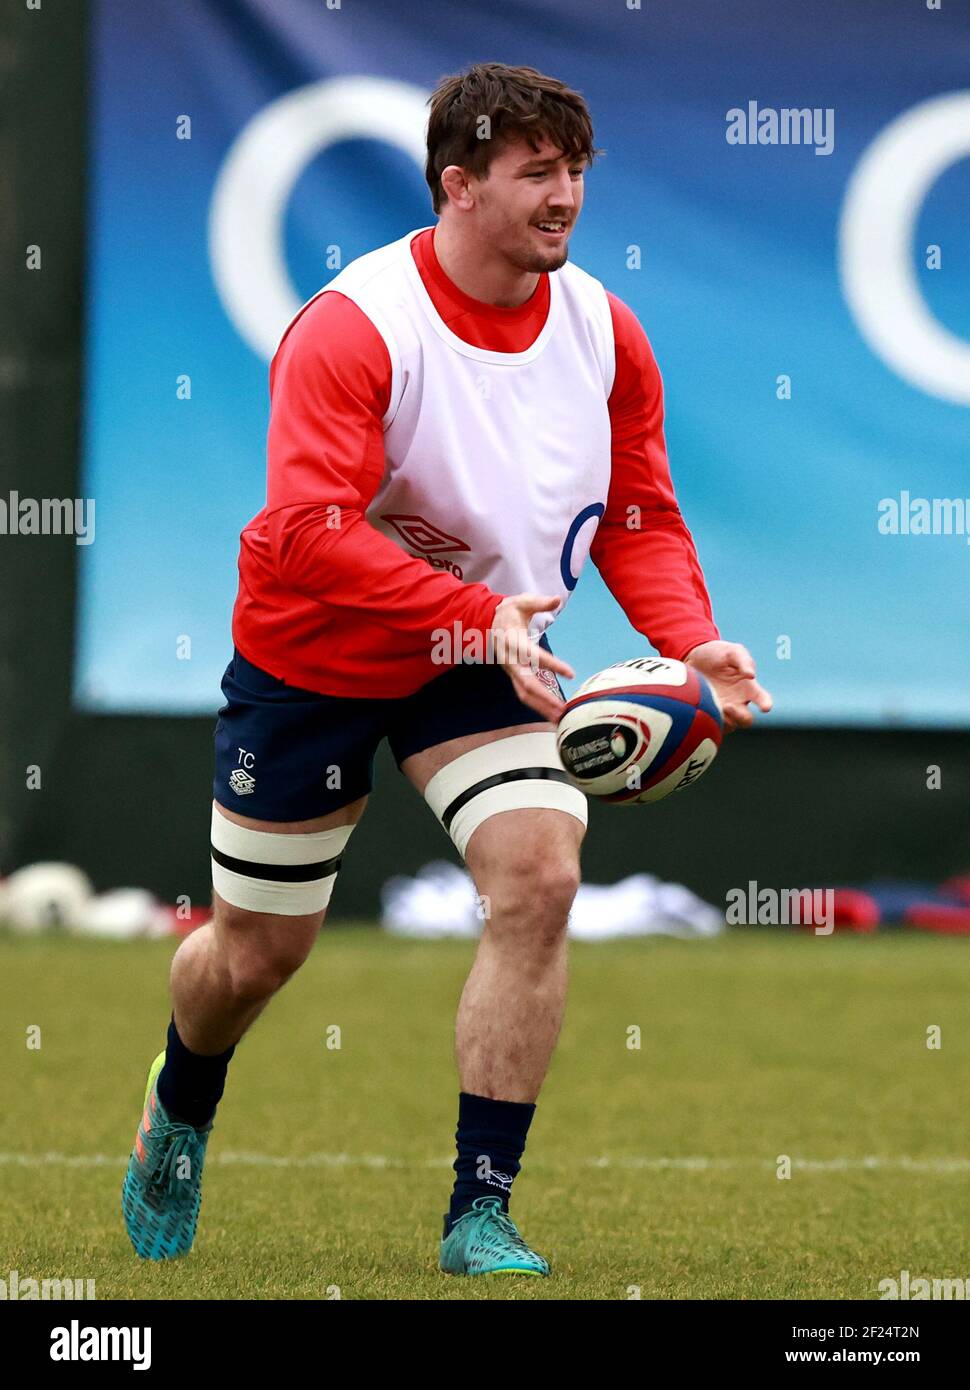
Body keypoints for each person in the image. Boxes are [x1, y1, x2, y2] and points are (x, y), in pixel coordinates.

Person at [122, 61, 771, 1277]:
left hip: (490, 657)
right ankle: (184, 1094)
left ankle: (481, 1208)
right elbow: (302, 532)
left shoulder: (605, 331)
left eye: (576, 169)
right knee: (255, 956)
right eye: (536, 172)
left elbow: (636, 514)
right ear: (458, 187)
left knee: (539, 876)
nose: (565, 195)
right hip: (315, 651)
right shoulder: (354, 325)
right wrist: (480, 610)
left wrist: (691, 638)